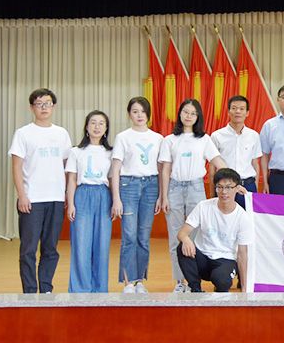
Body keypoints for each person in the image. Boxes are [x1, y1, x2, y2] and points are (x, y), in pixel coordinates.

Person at [159, 99, 227, 293]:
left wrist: (232, 178)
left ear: (198, 117)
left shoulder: (204, 139)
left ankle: (192, 282)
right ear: (180, 114)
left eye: (193, 113)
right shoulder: (169, 140)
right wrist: (164, 196)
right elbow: (165, 170)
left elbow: (217, 160)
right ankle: (179, 282)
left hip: (196, 188)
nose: (188, 116)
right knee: (175, 237)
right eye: (185, 112)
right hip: (174, 189)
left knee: (196, 237)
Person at [8, 88, 72, 293]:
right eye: (39, 104)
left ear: (53, 106)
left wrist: (66, 195)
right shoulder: (23, 133)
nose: (44, 107)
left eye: (48, 103)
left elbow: (66, 165)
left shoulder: (61, 133)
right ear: (32, 107)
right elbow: (16, 166)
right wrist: (22, 195)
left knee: (50, 248)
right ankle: (29, 291)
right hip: (32, 199)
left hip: (55, 198)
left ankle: (45, 289)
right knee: (28, 249)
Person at [111, 97, 164, 293]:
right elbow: (115, 169)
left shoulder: (158, 138)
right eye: (135, 111)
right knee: (129, 236)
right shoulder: (123, 137)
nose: (139, 115)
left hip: (151, 186)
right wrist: (116, 198)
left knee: (143, 237)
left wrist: (161, 195)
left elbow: (161, 168)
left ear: (148, 114)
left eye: (143, 111)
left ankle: (140, 281)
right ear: (129, 114)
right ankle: (128, 283)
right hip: (128, 186)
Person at [177, 168, 253, 292]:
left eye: (229, 187)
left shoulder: (243, 218)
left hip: (225, 259)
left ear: (237, 188)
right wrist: (186, 239)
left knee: (222, 280)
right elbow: (182, 233)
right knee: (182, 247)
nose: (224, 192)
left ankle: (220, 286)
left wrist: (244, 288)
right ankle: (195, 289)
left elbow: (242, 254)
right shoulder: (203, 206)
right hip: (202, 258)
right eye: (220, 187)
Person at [65, 110, 113, 293]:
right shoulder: (76, 151)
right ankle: (80, 289)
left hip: (103, 195)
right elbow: (71, 179)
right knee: (81, 243)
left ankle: (100, 289)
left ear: (106, 128)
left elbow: (113, 179)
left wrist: (115, 201)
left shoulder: (111, 152)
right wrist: (71, 204)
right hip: (83, 194)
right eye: (93, 123)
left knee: (102, 245)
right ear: (86, 127)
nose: (97, 127)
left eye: (101, 123)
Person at [210, 95, 262, 208]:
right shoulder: (217, 136)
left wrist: (255, 188)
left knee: (247, 217)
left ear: (247, 113)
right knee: (224, 217)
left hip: (248, 185)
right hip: (225, 187)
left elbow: (255, 164)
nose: (238, 111)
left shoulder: (254, 136)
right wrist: (212, 193)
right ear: (228, 111)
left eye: (242, 109)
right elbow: (212, 167)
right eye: (234, 108)